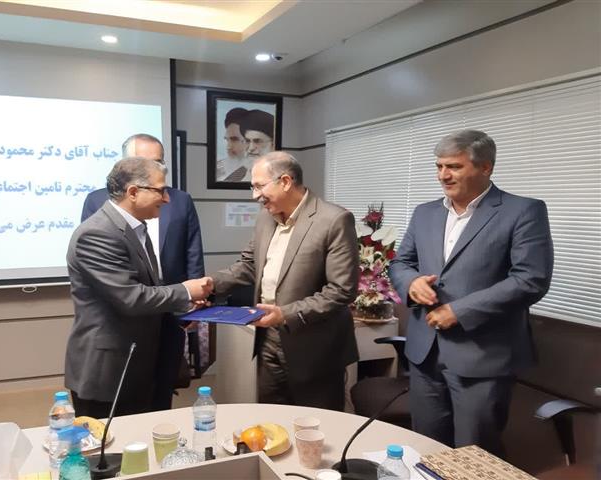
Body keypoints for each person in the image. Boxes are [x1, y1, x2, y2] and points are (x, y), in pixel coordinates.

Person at [388, 129, 553, 456]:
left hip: (482, 357)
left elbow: (530, 279)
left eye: (454, 166)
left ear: (485, 167)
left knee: (474, 455)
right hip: (424, 354)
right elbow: (401, 263)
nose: (443, 175)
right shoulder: (425, 212)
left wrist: (460, 311)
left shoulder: (523, 211)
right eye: (439, 166)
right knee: (426, 449)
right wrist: (411, 283)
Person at [65, 156, 213, 417]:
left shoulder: (134, 228)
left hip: (138, 363)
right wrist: (186, 291)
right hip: (109, 371)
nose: (167, 199)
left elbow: (149, 287)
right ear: (133, 192)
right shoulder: (97, 233)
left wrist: (184, 305)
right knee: (108, 442)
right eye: (160, 191)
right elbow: (131, 298)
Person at [211, 151, 359, 411]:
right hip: (267, 340)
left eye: (259, 186)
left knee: (317, 424)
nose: (254, 196)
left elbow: (341, 290)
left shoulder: (334, 220)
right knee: (272, 419)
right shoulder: (265, 218)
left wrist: (285, 314)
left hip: (314, 348)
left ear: (286, 181)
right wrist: (209, 284)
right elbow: (249, 265)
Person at [216, 107, 250, 182]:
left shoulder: (260, 170)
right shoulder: (217, 168)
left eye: (234, 139)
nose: (228, 147)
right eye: (227, 140)